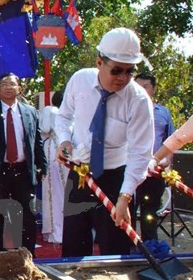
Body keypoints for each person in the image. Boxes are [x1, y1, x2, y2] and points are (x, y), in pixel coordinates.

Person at [55, 28, 154, 257]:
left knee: (115, 244)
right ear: (99, 62)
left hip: (116, 179)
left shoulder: (138, 101)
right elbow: (64, 116)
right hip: (80, 174)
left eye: (130, 72)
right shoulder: (79, 80)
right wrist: (64, 141)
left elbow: (140, 154)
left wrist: (124, 197)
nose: (123, 78)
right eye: (117, 70)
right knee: (74, 244)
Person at [0, 73, 46, 255]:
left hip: (23, 170)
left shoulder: (30, 111)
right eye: (4, 84)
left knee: (26, 215)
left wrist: (42, 167)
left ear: (19, 88)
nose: (8, 87)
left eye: (12, 84)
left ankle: (25, 254)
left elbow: (37, 140)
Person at [133, 72, 175, 240]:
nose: (141, 91)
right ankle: (125, 250)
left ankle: (149, 247)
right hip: (131, 169)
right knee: (127, 208)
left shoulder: (163, 113)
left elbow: (172, 140)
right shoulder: (125, 111)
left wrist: (165, 160)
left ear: (154, 89)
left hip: (155, 171)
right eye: (137, 87)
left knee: (149, 210)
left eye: (146, 87)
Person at [39, 90, 67, 244]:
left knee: (54, 192)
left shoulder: (50, 110)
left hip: (53, 151)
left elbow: (43, 129)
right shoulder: (73, 113)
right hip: (69, 153)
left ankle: (57, 231)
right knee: (64, 192)